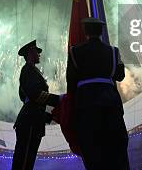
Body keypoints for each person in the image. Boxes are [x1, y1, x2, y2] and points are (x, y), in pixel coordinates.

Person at [66, 17, 129, 170]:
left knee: (92, 153)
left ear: (85, 32)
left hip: (86, 106)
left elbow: (71, 81)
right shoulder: (113, 52)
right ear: (101, 32)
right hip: (110, 104)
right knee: (117, 151)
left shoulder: (75, 52)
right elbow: (119, 75)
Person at [12, 40, 61, 170]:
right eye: (36, 52)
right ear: (30, 53)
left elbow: (30, 101)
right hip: (30, 122)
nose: (39, 55)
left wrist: (50, 117)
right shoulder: (28, 70)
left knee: (27, 162)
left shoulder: (32, 71)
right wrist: (59, 100)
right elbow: (35, 95)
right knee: (23, 162)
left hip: (32, 120)